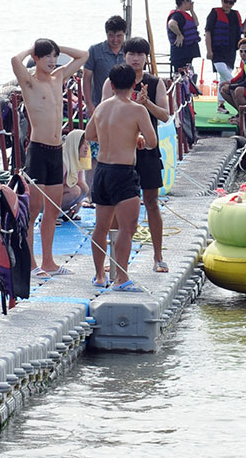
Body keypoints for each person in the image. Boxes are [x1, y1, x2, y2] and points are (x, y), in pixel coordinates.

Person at [11, 39, 87, 277]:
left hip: (57, 151)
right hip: (38, 151)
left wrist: (59, 47)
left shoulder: (59, 77)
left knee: (53, 210)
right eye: (47, 57)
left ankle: (49, 262)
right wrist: (30, 50)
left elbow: (83, 55)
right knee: (34, 210)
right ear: (36, 58)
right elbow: (15, 61)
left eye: (54, 57)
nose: (52, 61)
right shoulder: (30, 83)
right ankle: (31, 264)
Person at [85, 63, 157, 291]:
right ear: (134, 84)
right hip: (123, 172)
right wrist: (137, 140)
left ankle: (99, 275)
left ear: (112, 84)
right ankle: (121, 277)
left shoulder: (102, 107)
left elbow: (89, 134)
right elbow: (152, 141)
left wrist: (113, 138)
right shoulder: (137, 109)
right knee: (127, 227)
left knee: (101, 226)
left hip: (102, 171)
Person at [101, 37, 170, 273]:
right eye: (131, 53)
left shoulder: (155, 82)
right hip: (121, 153)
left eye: (140, 54)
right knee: (115, 206)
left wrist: (146, 103)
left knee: (151, 202)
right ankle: (115, 259)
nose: (136, 58)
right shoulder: (113, 81)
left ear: (146, 58)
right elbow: (102, 114)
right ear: (124, 55)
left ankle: (158, 256)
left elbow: (165, 115)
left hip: (147, 150)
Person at [81, 16, 127, 205]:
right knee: (93, 152)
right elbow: (86, 79)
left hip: (123, 112)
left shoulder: (129, 51)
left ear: (124, 34)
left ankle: (120, 192)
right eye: (111, 35)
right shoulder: (95, 51)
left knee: (121, 151)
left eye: (119, 35)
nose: (115, 39)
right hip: (99, 109)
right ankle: (91, 194)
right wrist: (90, 104)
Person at [204, 0, 246, 114]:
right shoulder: (214, 13)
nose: (227, 4)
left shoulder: (235, 15)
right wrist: (209, 50)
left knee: (223, 77)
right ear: (221, 0)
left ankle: (220, 105)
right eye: (226, 1)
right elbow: (208, 32)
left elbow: (242, 29)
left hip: (230, 51)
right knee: (224, 72)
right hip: (217, 50)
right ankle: (239, 88)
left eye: (231, 2)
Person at [60, 128, 90, 222]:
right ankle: (53, 214)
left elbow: (80, 182)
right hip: (47, 197)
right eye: (83, 144)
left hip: (62, 191)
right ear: (75, 145)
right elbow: (54, 187)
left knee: (84, 187)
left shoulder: (76, 158)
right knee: (75, 190)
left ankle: (68, 212)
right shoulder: (63, 158)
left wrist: (79, 204)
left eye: (87, 144)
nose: (86, 147)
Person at [167, 0, 201, 73]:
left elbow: (196, 23)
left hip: (186, 53)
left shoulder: (185, 15)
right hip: (180, 54)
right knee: (181, 77)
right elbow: (171, 24)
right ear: (185, 2)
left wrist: (192, 10)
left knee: (187, 76)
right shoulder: (177, 15)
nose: (191, 3)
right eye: (190, 1)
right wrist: (179, 35)